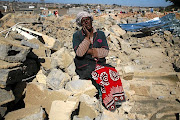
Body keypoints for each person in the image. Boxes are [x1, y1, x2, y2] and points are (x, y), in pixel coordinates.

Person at [72, 11, 125, 111]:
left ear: (91, 20)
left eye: (87, 19)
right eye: (83, 21)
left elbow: (105, 52)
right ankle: (104, 100)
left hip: (100, 63)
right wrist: (87, 38)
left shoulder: (100, 34)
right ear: (81, 24)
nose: (86, 22)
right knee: (102, 74)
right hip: (85, 65)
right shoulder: (77, 35)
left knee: (113, 71)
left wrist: (90, 51)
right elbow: (79, 53)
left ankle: (116, 99)